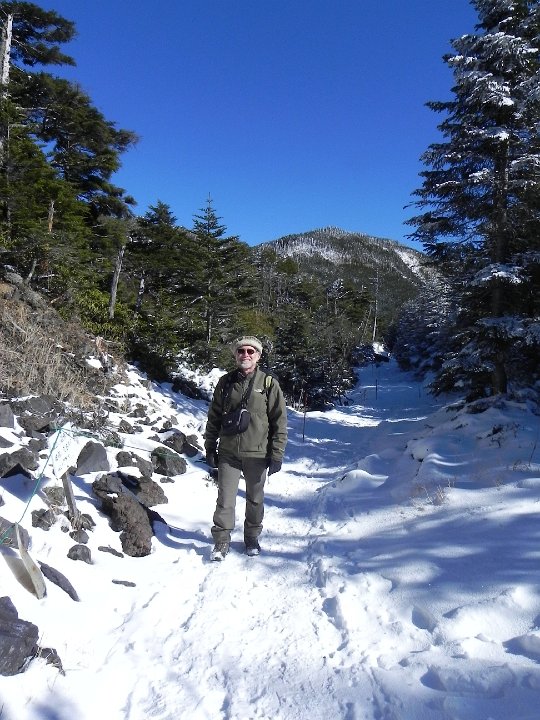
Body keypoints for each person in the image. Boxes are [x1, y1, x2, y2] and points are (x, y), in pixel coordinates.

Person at [204, 336, 288, 560]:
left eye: (251, 351)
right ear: (235, 354)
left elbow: (279, 421)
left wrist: (277, 453)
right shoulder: (225, 382)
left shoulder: (268, 383)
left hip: (258, 453)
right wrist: (210, 447)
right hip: (228, 453)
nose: (246, 355)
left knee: (255, 499)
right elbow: (214, 417)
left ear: (258, 356)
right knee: (225, 499)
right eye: (241, 351)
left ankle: (251, 537)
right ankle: (221, 540)